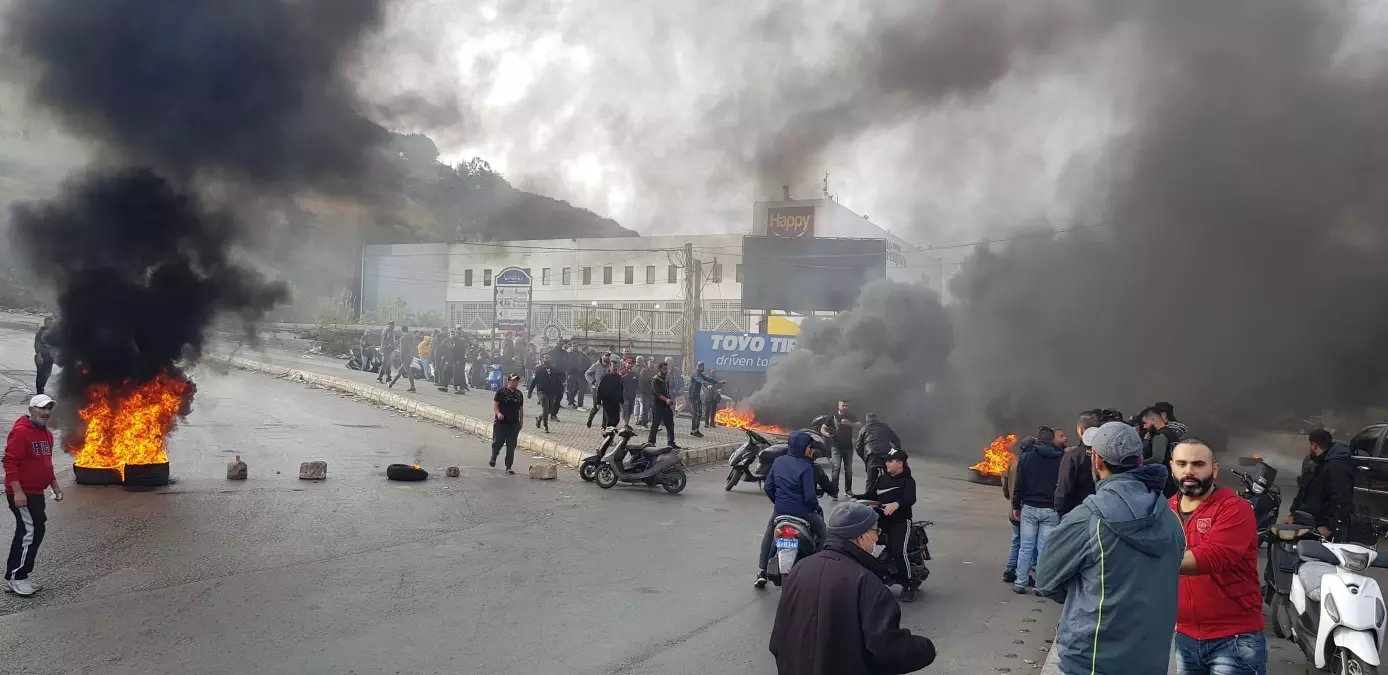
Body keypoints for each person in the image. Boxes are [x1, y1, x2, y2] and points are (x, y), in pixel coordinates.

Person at [1035, 421, 1184, 675]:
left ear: (1097, 461)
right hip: (1152, 661)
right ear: (1140, 460)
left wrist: (1086, 594)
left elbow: (1046, 580)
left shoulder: (1087, 518)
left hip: (1092, 661)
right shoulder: (1170, 517)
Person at [768, 501, 937, 675]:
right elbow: (886, 648)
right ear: (860, 537)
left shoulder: (800, 569)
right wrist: (925, 649)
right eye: (875, 531)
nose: (878, 538)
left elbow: (779, 636)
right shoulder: (866, 582)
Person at [1168, 439, 1267, 675]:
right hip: (1185, 637)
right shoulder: (1165, 509)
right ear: (1172, 467)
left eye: (1198, 464)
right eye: (1182, 463)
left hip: (1234, 640)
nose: (1189, 471)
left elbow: (1214, 557)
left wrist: (1148, 561)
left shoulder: (1235, 508)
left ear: (1214, 469)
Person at [5, 395, 62, 597]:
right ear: (31, 409)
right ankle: (17, 577)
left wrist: (54, 486)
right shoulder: (21, 432)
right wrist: (18, 492)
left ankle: (17, 575)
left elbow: (46, 464)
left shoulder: (46, 434)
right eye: (42, 409)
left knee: (31, 531)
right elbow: (10, 463)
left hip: (36, 492)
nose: (46, 413)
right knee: (30, 532)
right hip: (22, 493)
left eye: (49, 409)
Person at [755, 431, 827, 588]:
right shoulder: (807, 466)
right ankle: (820, 571)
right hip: (804, 513)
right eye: (809, 447)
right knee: (824, 535)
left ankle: (762, 571)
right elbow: (809, 497)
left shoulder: (779, 461)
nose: (810, 450)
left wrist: (780, 503)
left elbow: (768, 487)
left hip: (780, 511)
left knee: (769, 536)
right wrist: (815, 507)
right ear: (804, 448)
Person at [1011, 426, 1066, 594]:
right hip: (1050, 509)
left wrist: (1016, 505)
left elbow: (1019, 485)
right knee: (1044, 548)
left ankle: (1020, 583)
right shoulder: (1061, 459)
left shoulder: (1026, 458)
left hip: (1029, 507)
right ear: (1051, 440)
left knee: (1026, 547)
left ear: (1037, 439)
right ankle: (1040, 586)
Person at [860, 447, 920, 602]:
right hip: (880, 522)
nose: (887, 464)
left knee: (899, 551)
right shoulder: (882, 479)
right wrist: (856, 499)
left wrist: (897, 504)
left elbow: (910, 499)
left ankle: (908, 585)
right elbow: (870, 495)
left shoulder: (908, 481)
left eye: (890, 461)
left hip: (900, 522)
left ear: (900, 463)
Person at [1289, 429, 1356, 540]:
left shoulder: (1336, 467)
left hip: (1322, 528)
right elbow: (1306, 491)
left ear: (1314, 445)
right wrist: (1293, 514)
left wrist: (1329, 527)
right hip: (1308, 522)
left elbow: (1341, 499)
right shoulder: (1321, 463)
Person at [1001, 436, 1036, 585]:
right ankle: (1022, 574)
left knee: (1016, 541)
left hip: (1013, 511)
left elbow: (1005, 487)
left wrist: (1010, 499)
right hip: (1025, 510)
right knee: (1026, 545)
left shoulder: (1013, 464)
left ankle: (1010, 570)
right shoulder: (1030, 465)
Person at [1055, 410, 1102, 517]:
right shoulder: (1108, 453)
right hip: (1104, 515)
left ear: (1080, 430)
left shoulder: (1073, 457)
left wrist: (1062, 514)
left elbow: (1063, 490)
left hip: (1078, 515)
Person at [854, 413, 902, 496]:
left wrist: (865, 458)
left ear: (867, 421)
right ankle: (891, 495)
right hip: (886, 454)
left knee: (871, 480)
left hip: (872, 455)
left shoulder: (863, 429)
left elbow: (858, 448)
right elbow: (896, 440)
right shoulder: (884, 427)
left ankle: (869, 497)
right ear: (876, 419)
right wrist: (895, 452)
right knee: (890, 476)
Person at [822, 400, 861, 499]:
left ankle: (848, 491)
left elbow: (859, 425)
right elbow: (823, 428)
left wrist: (849, 423)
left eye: (847, 406)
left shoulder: (850, 416)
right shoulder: (833, 416)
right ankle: (834, 491)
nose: (845, 407)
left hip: (848, 447)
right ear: (839, 405)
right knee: (836, 467)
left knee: (849, 469)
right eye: (843, 405)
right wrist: (828, 435)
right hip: (836, 446)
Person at [1142, 407, 1183, 497]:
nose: (1144, 427)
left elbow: (1157, 458)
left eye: (1145, 423)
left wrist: (1140, 464)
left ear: (1153, 420)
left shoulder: (1160, 436)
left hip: (1165, 480)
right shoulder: (1172, 434)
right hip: (1175, 477)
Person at [490, 374, 524, 474]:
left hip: (513, 424)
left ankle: (508, 466)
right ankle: (494, 456)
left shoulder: (519, 394)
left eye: (516, 381)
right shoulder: (501, 392)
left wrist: (521, 423)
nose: (515, 383)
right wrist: (498, 413)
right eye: (513, 381)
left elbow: (521, 410)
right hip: (501, 423)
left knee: (511, 446)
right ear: (508, 381)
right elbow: (495, 406)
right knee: (498, 442)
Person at [647, 361, 678, 449]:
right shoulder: (655, 380)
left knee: (670, 424)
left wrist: (670, 399)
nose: (666, 371)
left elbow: (667, 391)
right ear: (660, 369)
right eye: (664, 369)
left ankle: (671, 443)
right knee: (655, 425)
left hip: (666, 406)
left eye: (666, 369)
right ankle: (651, 443)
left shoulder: (665, 379)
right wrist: (666, 399)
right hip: (657, 406)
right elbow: (656, 393)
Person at [527, 358, 561, 433]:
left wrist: (559, 390)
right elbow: (534, 381)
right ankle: (546, 426)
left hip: (551, 392)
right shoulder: (539, 370)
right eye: (545, 365)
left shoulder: (553, 370)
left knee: (550, 410)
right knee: (545, 409)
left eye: (548, 365)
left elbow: (557, 381)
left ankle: (539, 418)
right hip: (541, 392)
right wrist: (530, 392)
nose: (547, 367)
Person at [594, 361, 625, 429]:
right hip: (607, 401)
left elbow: (621, 389)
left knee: (616, 420)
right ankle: (607, 433)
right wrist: (598, 402)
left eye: (616, 366)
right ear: (609, 367)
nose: (615, 368)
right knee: (609, 420)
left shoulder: (618, 377)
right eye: (614, 366)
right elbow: (600, 389)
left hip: (616, 402)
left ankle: (609, 431)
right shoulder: (605, 376)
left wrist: (621, 399)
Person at [389, 327, 419, 392]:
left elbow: (401, 350)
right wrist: (412, 356)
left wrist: (402, 359)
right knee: (400, 371)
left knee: (408, 372)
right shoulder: (411, 337)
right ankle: (391, 384)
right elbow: (414, 348)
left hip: (404, 357)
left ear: (402, 330)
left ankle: (413, 387)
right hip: (410, 357)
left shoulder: (402, 338)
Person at [688, 362, 712, 437]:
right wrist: (707, 385)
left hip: (696, 397)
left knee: (698, 414)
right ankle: (694, 431)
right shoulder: (695, 373)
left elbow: (707, 378)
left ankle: (695, 430)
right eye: (700, 366)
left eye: (702, 366)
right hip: (693, 397)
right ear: (698, 366)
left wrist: (718, 382)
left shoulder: (699, 373)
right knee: (696, 414)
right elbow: (700, 380)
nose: (702, 368)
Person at [33, 318, 55, 396]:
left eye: (52, 323)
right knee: (41, 375)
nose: (51, 324)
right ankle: (40, 393)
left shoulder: (52, 333)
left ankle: (40, 391)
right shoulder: (40, 333)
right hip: (41, 357)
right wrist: (39, 356)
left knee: (46, 375)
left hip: (50, 359)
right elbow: (37, 345)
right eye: (49, 322)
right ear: (45, 323)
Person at [620, 360, 639, 427]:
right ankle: (625, 424)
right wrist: (626, 375)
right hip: (624, 395)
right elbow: (620, 381)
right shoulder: (622, 372)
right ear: (626, 364)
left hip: (632, 395)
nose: (630, 365)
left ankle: (627, 424)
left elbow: (636, 383)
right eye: (629, 363)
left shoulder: (634, 373)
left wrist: (636, 391)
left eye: (632, 364)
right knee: (626, 409)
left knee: (630, 410)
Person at [636, 361, 655, 427]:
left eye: (653, 362)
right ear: (647, 363)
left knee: (654, 409)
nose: (652, 364)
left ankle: (654, 425)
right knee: (645, 409)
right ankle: (644, 424)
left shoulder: (655, 370)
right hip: (644, 393)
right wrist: (652, 378)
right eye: (650, 362)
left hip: (653, 393)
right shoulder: (644, 371)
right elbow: (642, 379)